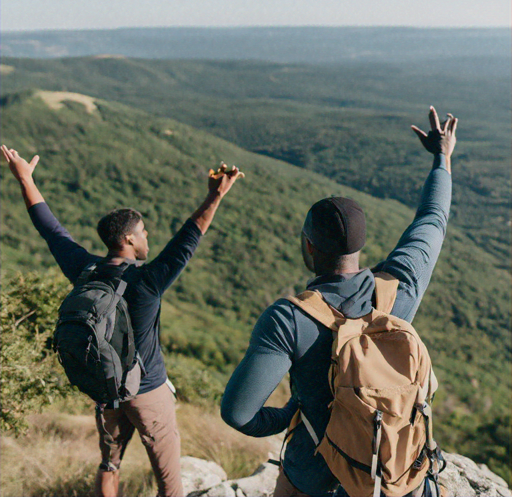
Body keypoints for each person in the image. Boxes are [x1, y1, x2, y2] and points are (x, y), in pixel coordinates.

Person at [221, 106, 458, 497]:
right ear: (361, 245)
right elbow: (433, 218)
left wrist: (284, 415)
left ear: (309, 247)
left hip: (315, 475)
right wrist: (442, 157)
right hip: (394, 469)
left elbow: (238, 412)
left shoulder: (288, 319)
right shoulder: (399, 288)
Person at [2, 145, 242, 497]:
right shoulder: (147, 281)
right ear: (129, 239)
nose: (147, 238)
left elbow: (50, 229)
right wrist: (215, 195)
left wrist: (24, 178)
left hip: (106, 389)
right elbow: (189, 237)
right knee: (169, 482)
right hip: (148, 394)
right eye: (143, 232)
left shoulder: (85, 270)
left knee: (110, 463)